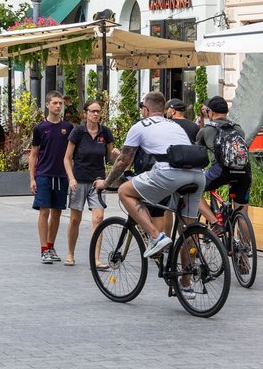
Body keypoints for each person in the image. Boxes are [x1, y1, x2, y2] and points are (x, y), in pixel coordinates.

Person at [95, 91, 206, 260]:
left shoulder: (140, 126)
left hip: (170, 174)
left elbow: (123, 160)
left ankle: (156, 236)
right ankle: (186, 282)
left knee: (124, 191)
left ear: (146, 110)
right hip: (197, 176)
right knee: (187, 231)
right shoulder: (175, 125)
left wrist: (106, 182)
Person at [63, 100, 117, 267]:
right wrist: (71, 178)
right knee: (75, 220)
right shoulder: (78, 132)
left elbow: (109, 157)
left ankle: (96, 258)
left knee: (99, 218)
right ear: (85, 113)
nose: (95, 114)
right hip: (78, 181)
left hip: (98, 182)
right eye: (92, 111)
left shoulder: (105, 133)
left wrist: (116, 155)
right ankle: (70, 253)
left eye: (98, 111)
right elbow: (67, 158)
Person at [195, 96, 252, 232]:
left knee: (191, 189)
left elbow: (197, 154)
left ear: (211, 112)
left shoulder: (206, 130)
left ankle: (215, 222)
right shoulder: (238, 129)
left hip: (221, 172)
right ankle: (245, 251)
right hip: (244, 173)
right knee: (243, 214)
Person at [29, 90, 72, 264]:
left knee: (57, 212)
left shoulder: (68, 128)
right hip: (43, 174)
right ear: (47, 105)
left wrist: (71, 176)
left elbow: (70, 155)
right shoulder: (40, 128)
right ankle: (43, 249)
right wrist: (32, 178)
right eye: (55, 103)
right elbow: (33, 154)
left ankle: (51, 245)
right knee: (44, 211)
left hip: (61, 175)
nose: (58, 106)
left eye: (60, 103)